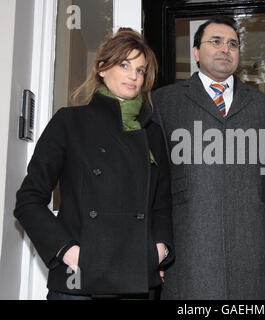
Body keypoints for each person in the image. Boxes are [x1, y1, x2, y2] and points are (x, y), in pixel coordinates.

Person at [14, 28, 173, 300]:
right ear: (102, 68)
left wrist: (159, 249)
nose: (134, 76)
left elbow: (162, 204)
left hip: (136, 281)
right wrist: (67, 251)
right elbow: (28, 199)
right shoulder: (69, 122)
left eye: (141, 70)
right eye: (125, 65)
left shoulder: (152, 132)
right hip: (79, 282)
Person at [152, 16, 265, 299]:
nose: (225, 48)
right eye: (216, 41)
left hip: (252, 246)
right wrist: (156, 242)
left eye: (233, 44)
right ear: (196, 52)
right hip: (188, 244)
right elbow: (156, 179)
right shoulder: (164, 101)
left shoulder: (262, 104)